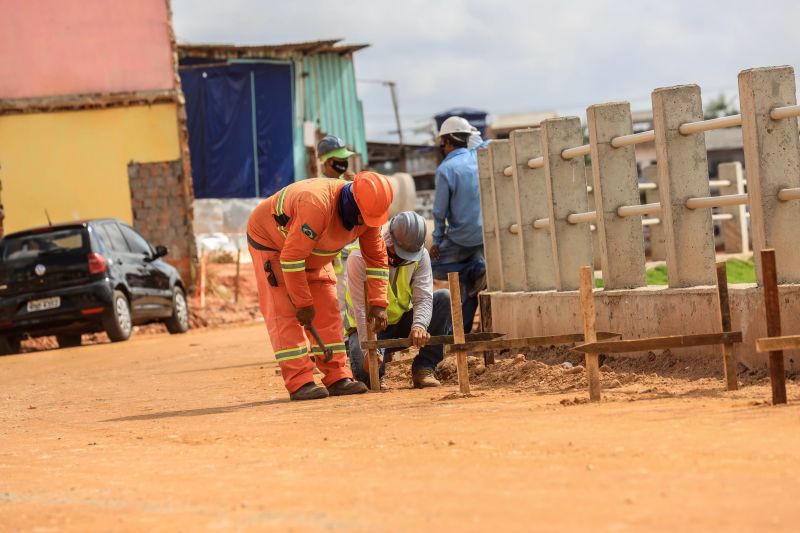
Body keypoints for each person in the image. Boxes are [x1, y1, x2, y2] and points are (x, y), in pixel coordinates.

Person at [246, 172, 393, 401]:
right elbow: (292, 259)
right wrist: (303, 304)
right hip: (273, 243)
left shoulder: (370, 212)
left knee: (328, 312)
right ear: (351, 203)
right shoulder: (315, 205)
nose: (365, 224)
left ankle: (337, 377)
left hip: (312, 252)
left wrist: (378, 302)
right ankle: (300, 382)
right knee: (286, 314)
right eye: (362, 218)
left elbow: (376, 258)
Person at [344, 211, 452, 389]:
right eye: (401, 252)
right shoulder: (359, 257)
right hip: (367, 327)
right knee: (369, 375)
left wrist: (419, 325)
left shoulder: (420, 255)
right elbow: (360, 310)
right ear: (389, 239)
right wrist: (368, 351)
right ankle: (376, 370)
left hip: (400, 322)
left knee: (443, 299)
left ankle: (424, 368)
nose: (404, 258)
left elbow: (424, 296)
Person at [430, 116, 487, 333]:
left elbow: (439, 212)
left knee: (426, 267)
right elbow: (485, 143)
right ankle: (460, 331)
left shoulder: (446, 169)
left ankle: (477, 269)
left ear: (448, 141)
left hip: (460, 238)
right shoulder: (479, 157)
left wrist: (436, 241)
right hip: (483, 235)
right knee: (468, 286)